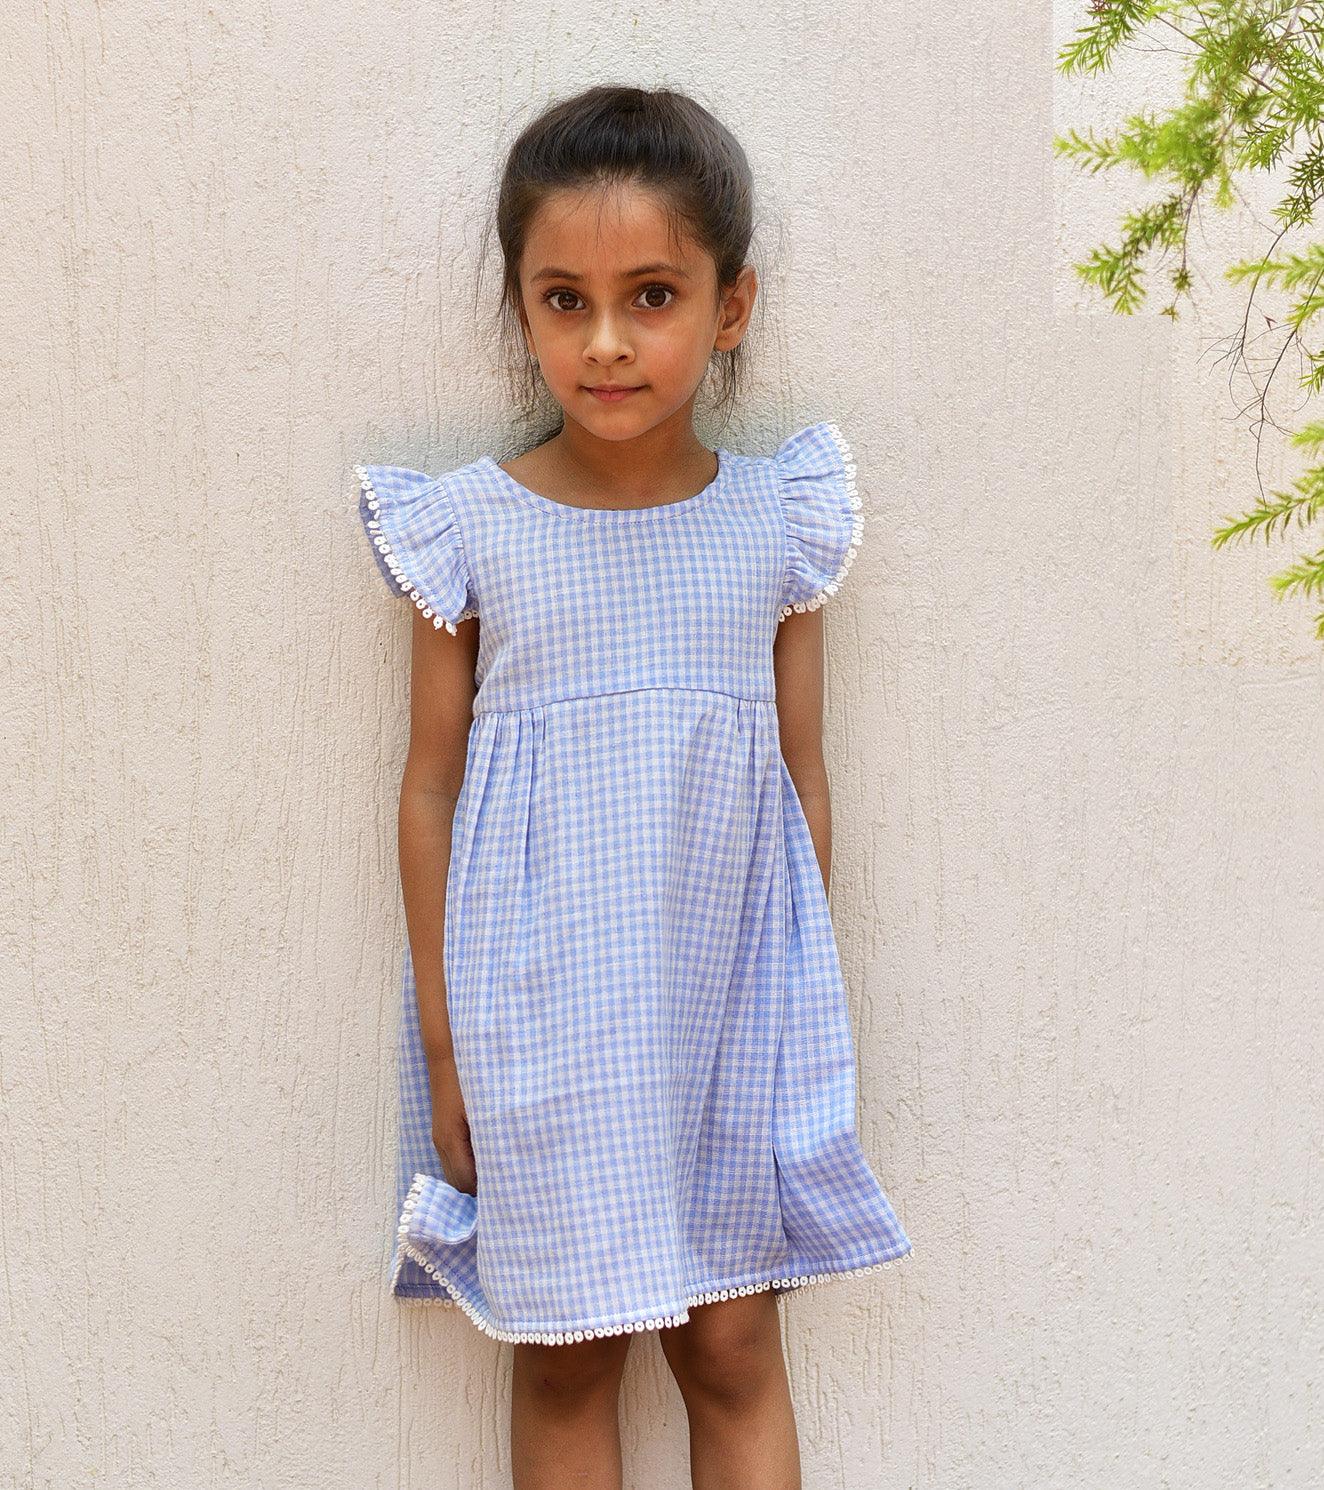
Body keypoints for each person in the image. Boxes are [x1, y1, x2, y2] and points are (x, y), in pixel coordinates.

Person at [355, 81, 913, 1490]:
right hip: (538, 1026)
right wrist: (446, 1049)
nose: (605, 341)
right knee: (569, 1351)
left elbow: (799, 782)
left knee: (731, 1342)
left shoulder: (775, 521)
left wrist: (790, 1018)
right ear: (523, 310)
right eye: (565, 300)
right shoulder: (468, 529)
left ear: (730, 308)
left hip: (724, 1014)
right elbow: (429, 792)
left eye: (651, 295)